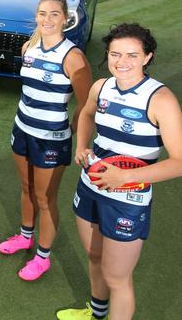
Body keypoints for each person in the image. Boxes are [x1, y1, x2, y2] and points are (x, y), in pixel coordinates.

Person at [57, 23, 182, 320]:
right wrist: (81, 146)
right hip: (90, 186)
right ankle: (95, 312)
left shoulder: (160, 100)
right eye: (115, 54)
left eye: (131, 55)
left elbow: (179, 161)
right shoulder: (101, 87)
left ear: (147, 57)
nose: (121, 62)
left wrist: (125, 177)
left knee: (118, 279)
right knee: (95, 257)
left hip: (128, 201)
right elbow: (86, 114)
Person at [0, 0, 92, 280]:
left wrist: (71, 130)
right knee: (26, 188)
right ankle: (25, 236)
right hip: (22, 129)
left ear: (65, 19)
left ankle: (43, 256)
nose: (47, 19)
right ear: (36, 17)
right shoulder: (29, 47)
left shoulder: (73, 57)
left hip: (50, 139)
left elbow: (87, 105)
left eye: (54, 14)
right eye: (42, 13)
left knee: (44, 198)